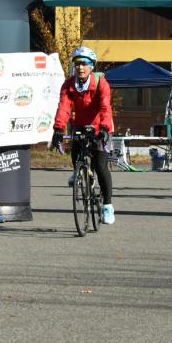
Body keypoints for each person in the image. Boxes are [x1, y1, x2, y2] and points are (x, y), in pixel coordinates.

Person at [50, 45, 115, 225]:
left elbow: (105, 107)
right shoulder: (69, 84)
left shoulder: (101, 83)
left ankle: (108, 206)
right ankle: (80, 172)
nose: (80, 67)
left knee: (101, 166)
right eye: (77, 63)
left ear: (91, 66)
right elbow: (63, 107)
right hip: (79, 125)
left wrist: (103, 128)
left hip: (101, 126)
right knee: (76, 153)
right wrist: (58, 129)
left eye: (84, 63)